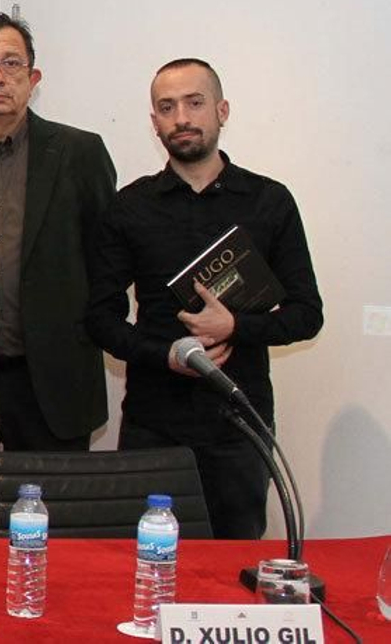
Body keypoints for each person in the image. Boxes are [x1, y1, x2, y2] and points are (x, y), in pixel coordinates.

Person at [86, 58, 323, 539]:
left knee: (234, 563)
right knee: (144, 566)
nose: (182, 118)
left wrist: (236, 327)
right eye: (167, 107)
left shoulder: (269, 201)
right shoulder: (129, 207)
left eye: (195, 103)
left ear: (221, 110)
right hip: (153, 421)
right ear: (154, 123)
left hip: (239, 421)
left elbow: (307, 314)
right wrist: (167, 355)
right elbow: (100, 319)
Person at [0, 12, 116, 451]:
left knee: (49, 516)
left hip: (54, 384)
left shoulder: (80, 152)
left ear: (33, 77)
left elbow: (108, 261)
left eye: (11, 64)